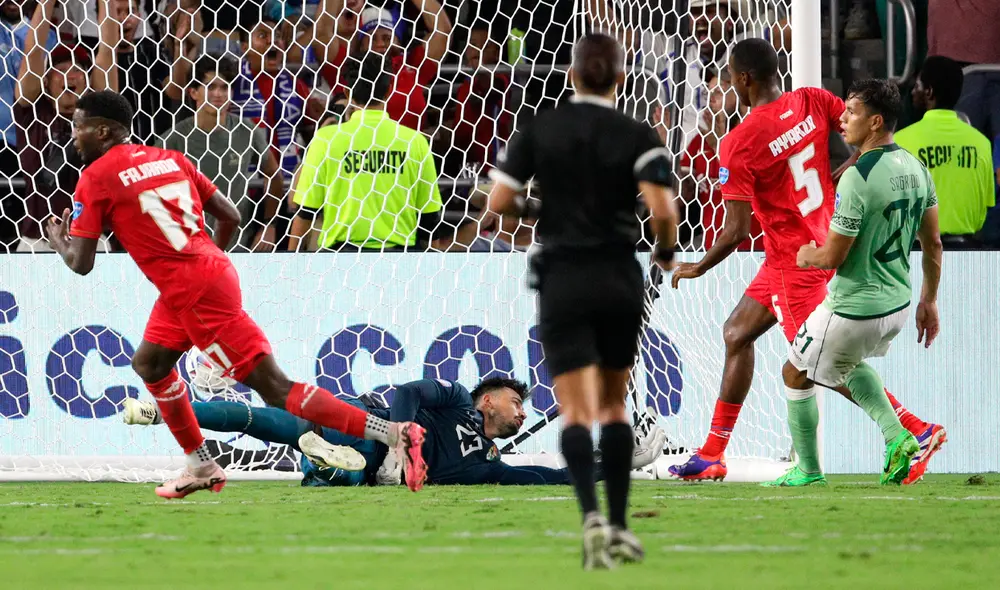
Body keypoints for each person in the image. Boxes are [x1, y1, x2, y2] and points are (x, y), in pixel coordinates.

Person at [44, 89, 428, 498]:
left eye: (77, 127)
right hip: (201, 276)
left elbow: (81, 263)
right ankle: (200, 465)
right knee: (151, 365)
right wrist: (205, 256)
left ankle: (394, 433)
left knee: (276, 388)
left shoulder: (96, 177)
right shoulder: (171, 158)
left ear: (102, 131)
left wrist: (58, 241)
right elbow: (231, 214)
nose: (73, 136)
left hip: (194, 291)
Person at [669, 39, 945, 485]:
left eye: (730, 77)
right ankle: (713, 452)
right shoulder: (812, 100)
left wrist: (698, 266)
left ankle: (914, 428)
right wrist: (847, 166)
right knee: (737, 333)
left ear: (743, 79)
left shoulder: (738, 143)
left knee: (820, 364)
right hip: (824, 240)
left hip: (793, 261)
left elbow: (737, 231)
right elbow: (865, 135)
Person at [487, 33, 678, 569]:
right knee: (615, 405)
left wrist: (547, 211)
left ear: (571, 75)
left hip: (563, 276)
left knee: (575, 411)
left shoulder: (541, 128)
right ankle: (619, 526)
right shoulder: (638, 132)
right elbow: (663, 208)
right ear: (620, 78)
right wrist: (663, 250)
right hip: (617, 275)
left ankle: (590, 517)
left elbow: (499, 200)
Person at [775, 79, 941, 486]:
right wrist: (929, 301)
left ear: (876, 122)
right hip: (897, 304)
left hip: (854, 305)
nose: (843, 119)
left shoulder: (857, 176)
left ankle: (809, 470)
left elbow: (832, 256)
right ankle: (902, 436)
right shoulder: (917, 168)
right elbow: (933, 243)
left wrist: (804, 254)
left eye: (852, 112)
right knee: (846, 365)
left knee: (795, 372)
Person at [123, 376, 668, 486]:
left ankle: (320, 459)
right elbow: (408, 391)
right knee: (277, 420)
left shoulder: (488, 466)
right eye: (515, 401)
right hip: (368, 423)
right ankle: (171, 410)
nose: (522, 411)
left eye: (524, 408)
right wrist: (397, 433)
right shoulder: (455, 399)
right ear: (487, 400)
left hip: (365, 472)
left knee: (332, 465)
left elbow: (542, 476)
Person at [290, 54, 442, 252]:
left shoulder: (326, 139)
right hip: (400, 262)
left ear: (346, 92)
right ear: (389, 90)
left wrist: (289, 261)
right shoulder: (415, 142)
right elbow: (430, 217)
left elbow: (304, 213)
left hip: (340, 261)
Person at [14, 0, 118, 253]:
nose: (70, 75)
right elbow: (33, 51)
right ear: (46, 82)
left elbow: (108, 50)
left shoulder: (98, 117)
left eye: (77, 69)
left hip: (91, 240)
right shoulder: (32, 113)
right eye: (60, 69)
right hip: (37, 241)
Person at [158, 55, 285, 252]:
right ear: (194, 93)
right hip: (188, 246)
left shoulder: (247, 131)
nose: (218, 94)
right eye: (211, 87)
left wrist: (269, 226)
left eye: (225, 87)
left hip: (239, 245)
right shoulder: (172, 140)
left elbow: (274, 176)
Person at [895, 56, 994, 245]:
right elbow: (986, 205)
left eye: (917, 85)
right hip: (970, 252)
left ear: (929, 92)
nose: (913, 92)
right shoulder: (981, 143)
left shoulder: (901, 142)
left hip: (917, 253)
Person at [313, 0, 452, 131]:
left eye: (387, 38)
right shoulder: (349, 69)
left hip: (409, 152)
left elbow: (443, 31)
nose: (380, 44)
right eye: (372, 38)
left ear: (397, 41)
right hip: (361, 153)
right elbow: (322, 32)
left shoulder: (412, 65)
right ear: (361, 45)